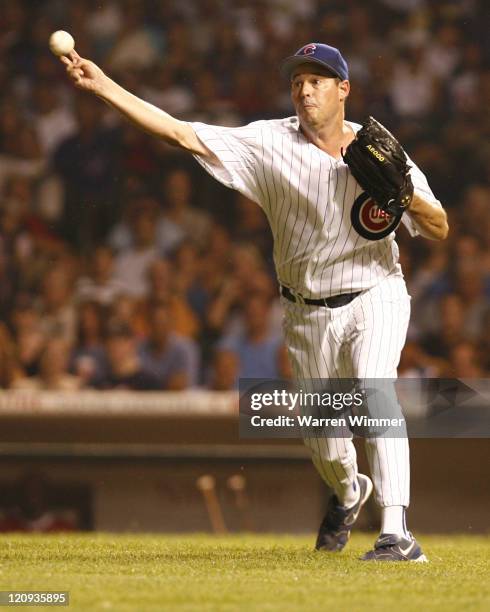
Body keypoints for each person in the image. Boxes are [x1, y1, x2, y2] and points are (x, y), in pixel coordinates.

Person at [61, 42, 448, 562]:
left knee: (377, 391)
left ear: (343, 90)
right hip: (306, 310)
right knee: (328, 445)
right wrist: (102, 85)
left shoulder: (379, 147)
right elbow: (179, 132)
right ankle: (349, 490)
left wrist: (403, 194)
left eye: (317, 80)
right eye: (297, 81)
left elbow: (439, 227)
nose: (305, 89)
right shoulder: (267, 141)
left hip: (376, 292)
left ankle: (397, 534)